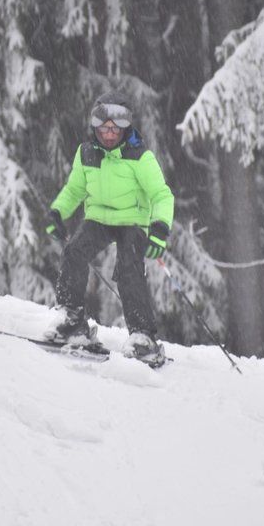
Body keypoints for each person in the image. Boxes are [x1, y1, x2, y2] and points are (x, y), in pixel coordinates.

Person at [43, 91, 174, 367]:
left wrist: (159, 229)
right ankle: (71, 319)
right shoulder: (87, 153)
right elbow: (75, 190)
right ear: (95, 127)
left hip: (132, 221)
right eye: (104, 128)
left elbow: (162, 195)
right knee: (75, 252)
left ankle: (142, 336)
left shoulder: (140, 156)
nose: (109, 134)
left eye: (116, 129)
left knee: (128, 269)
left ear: (126, 128)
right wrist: (57, 212)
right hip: (99, 219)